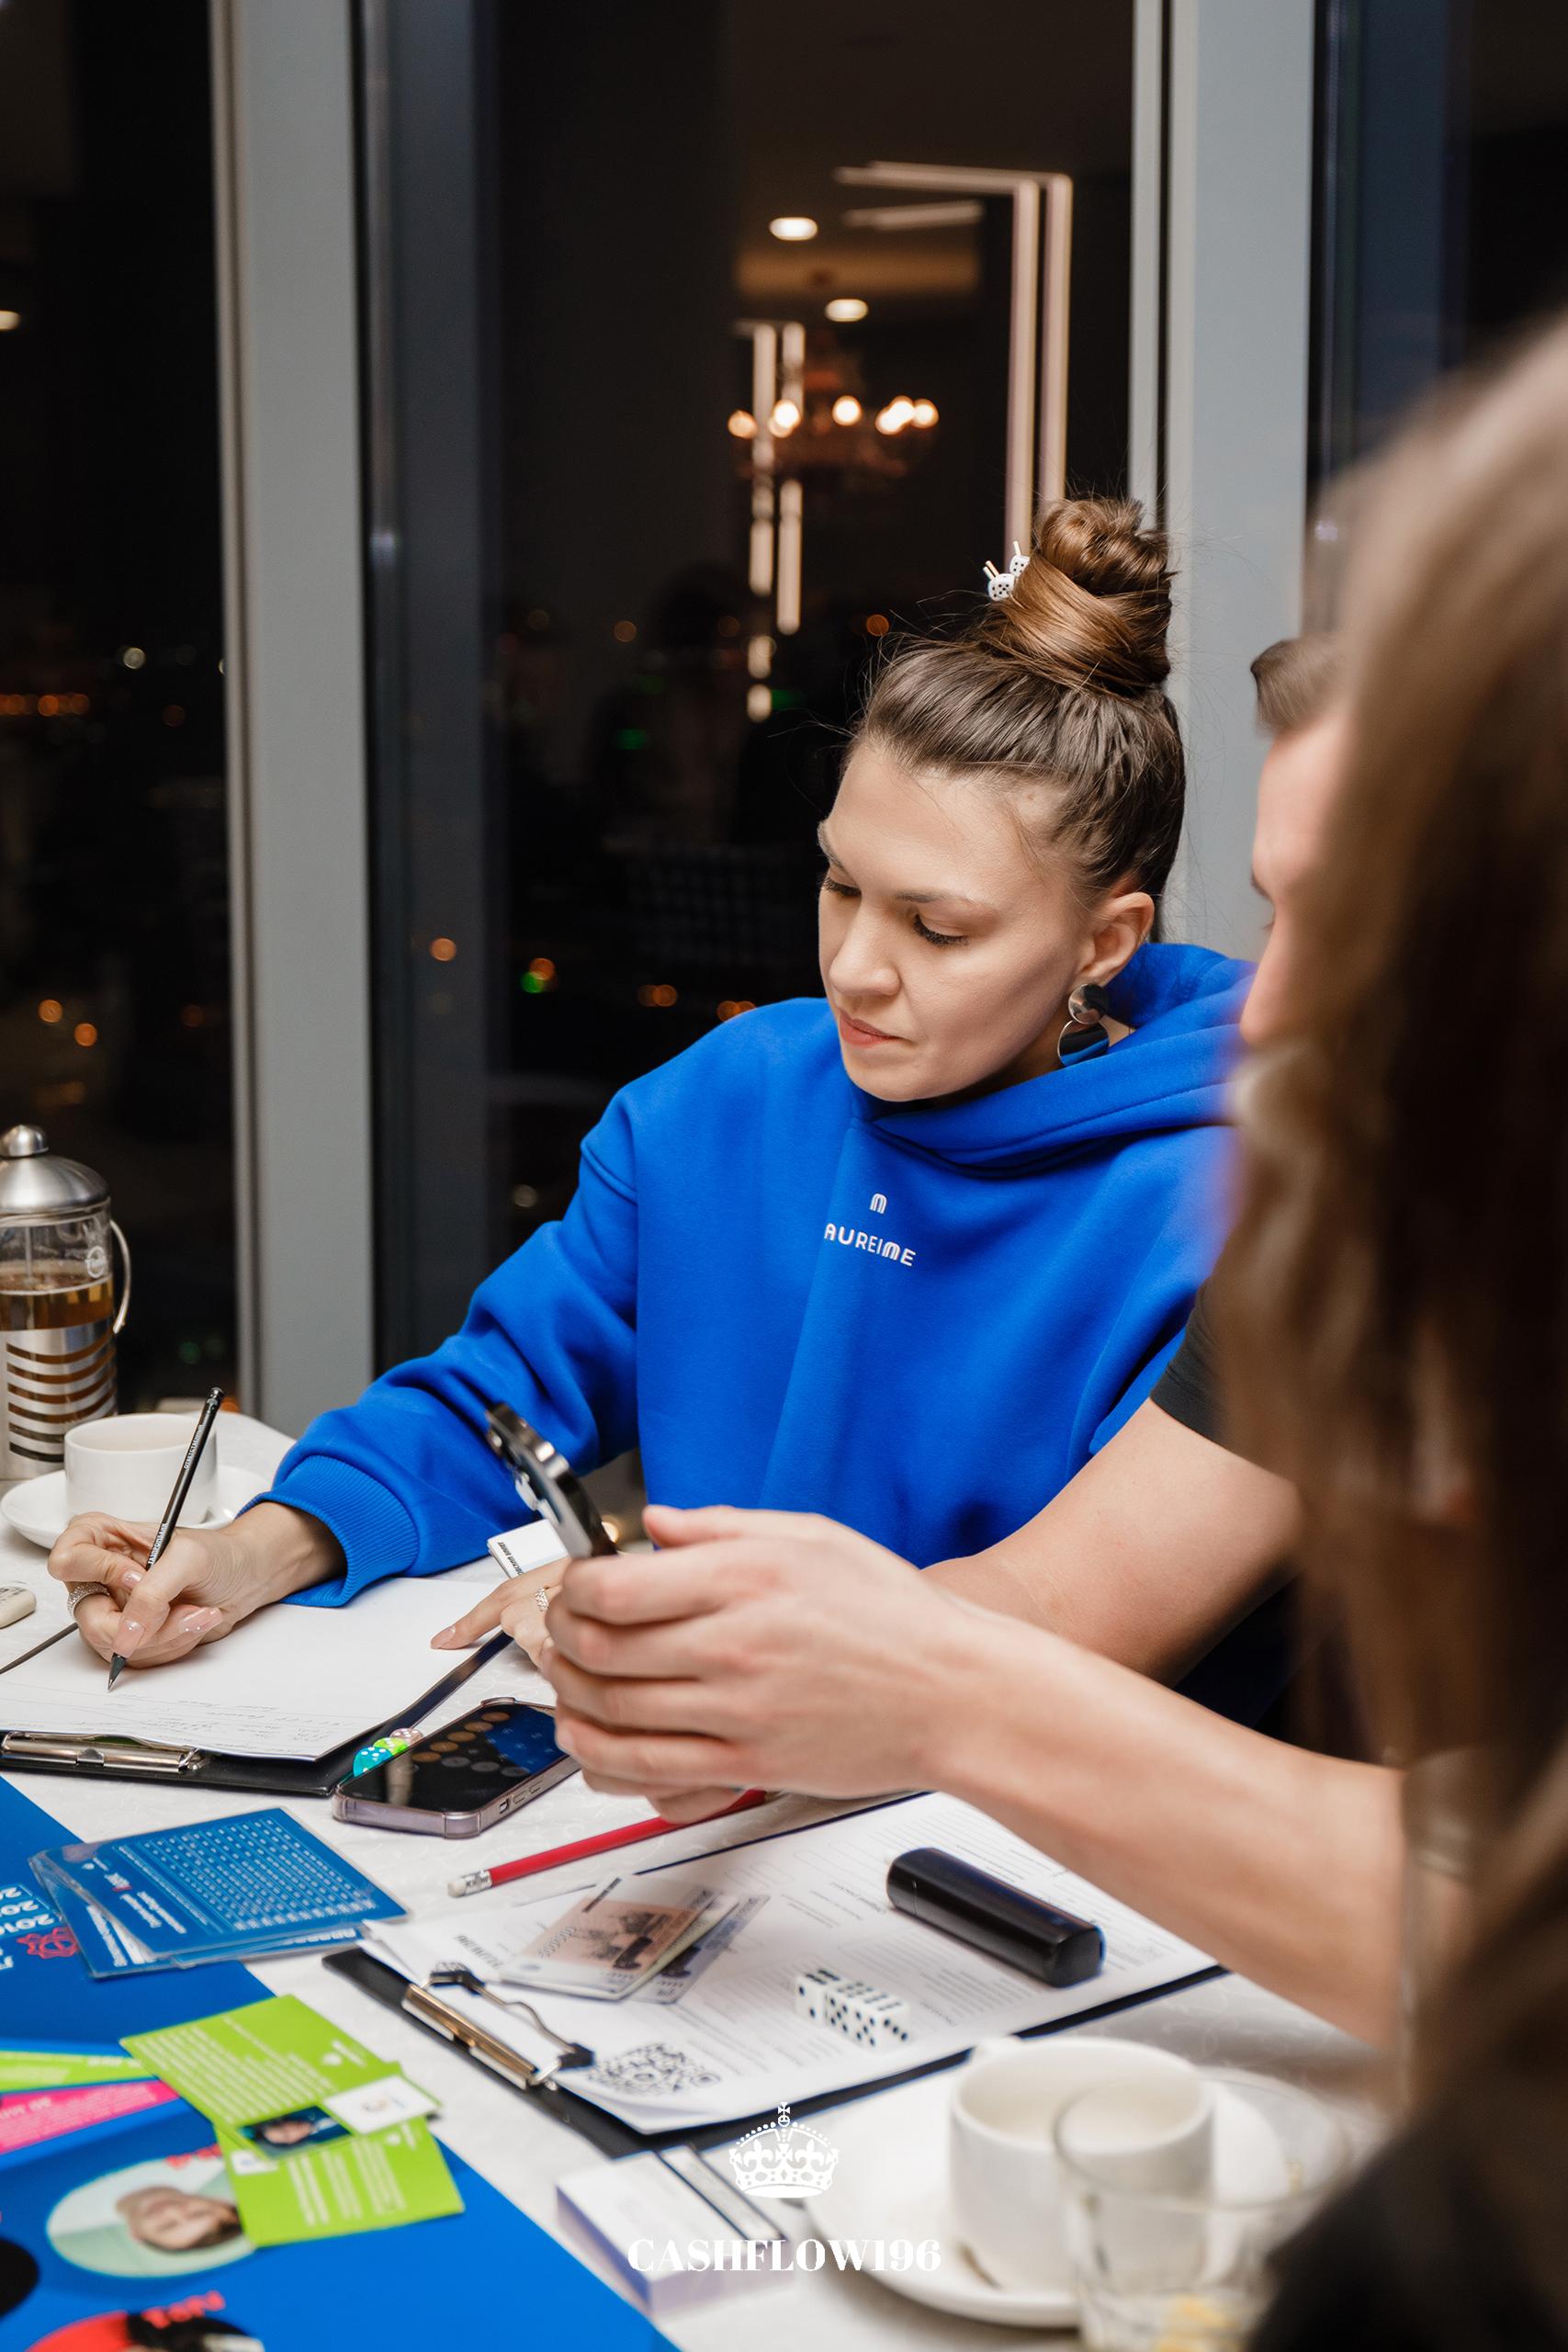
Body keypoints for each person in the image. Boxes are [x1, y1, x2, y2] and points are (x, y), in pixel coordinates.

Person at [53, 500, 1249, 1685]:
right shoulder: (727, 1099)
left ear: (1105, 942)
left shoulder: (1209, 1202)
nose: (852, 969)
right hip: (696, 1758)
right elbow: (502, 1396)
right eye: (841, 886)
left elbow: (1091, 1616)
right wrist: (251, 1552)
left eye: (936, 929)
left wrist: (684, 1618)